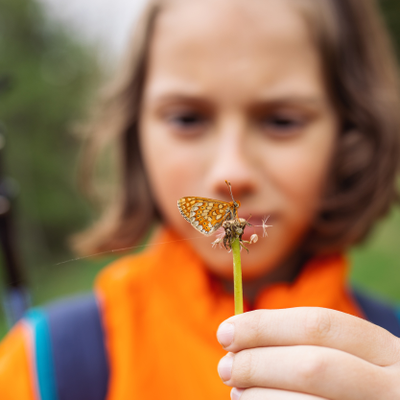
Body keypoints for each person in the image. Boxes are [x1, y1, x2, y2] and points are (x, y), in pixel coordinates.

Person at [1, 0, 400, 399]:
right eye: (187, 119)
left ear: (350, 130)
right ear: (135, 132)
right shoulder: (41, 367)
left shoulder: (390, 354)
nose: (233, 169)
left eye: (282, 120)